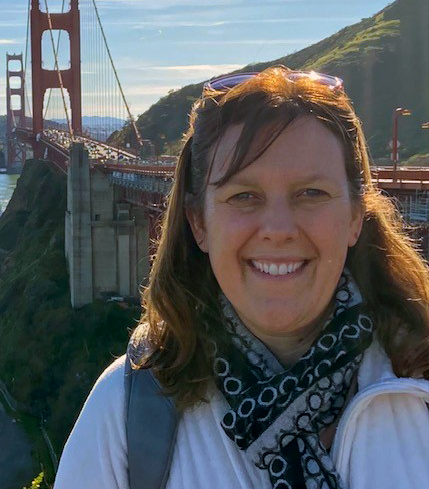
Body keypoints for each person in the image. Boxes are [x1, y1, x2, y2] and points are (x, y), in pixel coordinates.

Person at [54, 66, 429, 489]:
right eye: (243, 196)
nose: (278, 228)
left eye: (311, 193)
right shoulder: (125, 415)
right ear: (198, 222)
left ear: (355, 217)